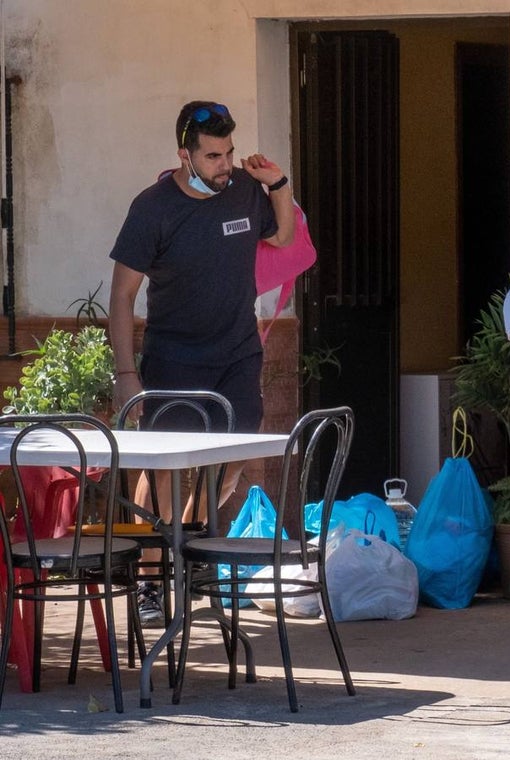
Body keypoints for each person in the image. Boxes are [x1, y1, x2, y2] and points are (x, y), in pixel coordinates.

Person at [108, 100, 295, 625]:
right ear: (184, 156)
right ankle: (150, 582)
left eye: (229, 152)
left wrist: (277, 184)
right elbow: (122, 297)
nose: (225, 164)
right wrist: (127, 376)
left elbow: (282, 235)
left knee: (232, 458)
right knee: (165, 470)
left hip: (236, 352)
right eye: (213, 155)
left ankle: (189, 552)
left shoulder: (241, 190)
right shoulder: (153, 208)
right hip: (174, 356)